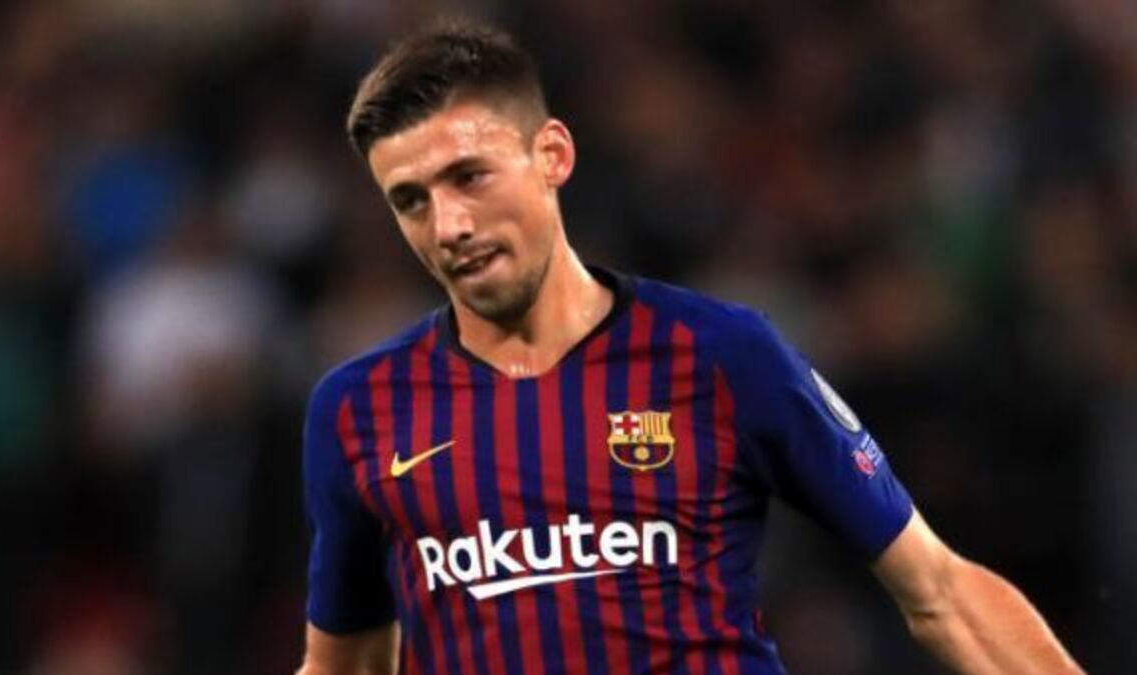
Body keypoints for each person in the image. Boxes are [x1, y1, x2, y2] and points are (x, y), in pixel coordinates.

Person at [297, 19, 1084, 675]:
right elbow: (347, 665)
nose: (448, 226)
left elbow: (939, 592)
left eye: (469, 176)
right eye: (411, 201)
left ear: (552, 155)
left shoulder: (720, 354)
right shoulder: (359, 409)